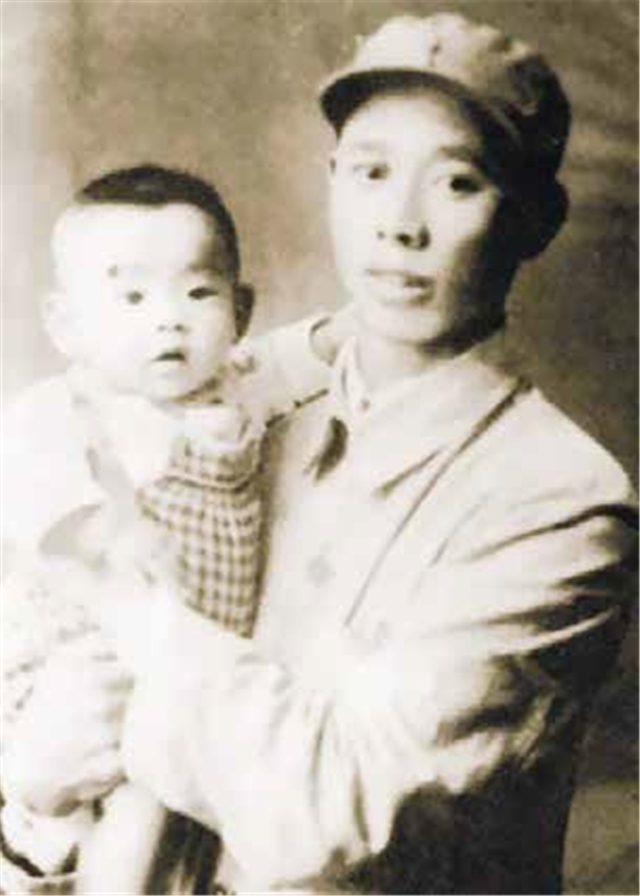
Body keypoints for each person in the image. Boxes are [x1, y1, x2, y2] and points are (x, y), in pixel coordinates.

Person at [3, 12, 638, 895]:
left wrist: (126, 608)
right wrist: (31, 799)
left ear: (533, 219)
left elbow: (337, 812)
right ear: (332, 181)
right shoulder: (237, 394)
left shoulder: (561, 498)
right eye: (373, 173)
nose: (400, 225)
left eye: (458, 182)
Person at [0, 165, 340, 894]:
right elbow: (41, 505)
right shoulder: (63, 411)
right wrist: (111, 535)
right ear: (65, 324)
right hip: (82, 650)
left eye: (197, 293)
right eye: (130, 297)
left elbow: (302, 356)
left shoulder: (234, 389)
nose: (168, 319)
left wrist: (349, 333)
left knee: (173, 806)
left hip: (180, 655)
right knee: (131, 802)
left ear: (240, 311)